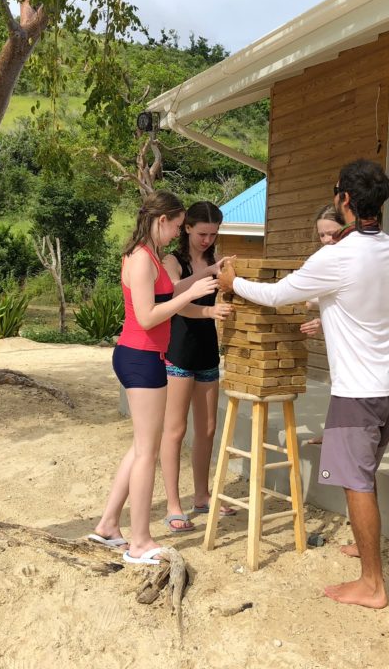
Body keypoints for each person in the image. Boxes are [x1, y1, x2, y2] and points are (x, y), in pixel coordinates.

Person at [218, 158, 389, 608]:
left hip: (359, 391)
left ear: (344, 199)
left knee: (356, 482)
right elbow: (364, 305)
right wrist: (328, 319)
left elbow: (278, 294)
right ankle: (366, 555)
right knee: (363, 474)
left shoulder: (337, 256)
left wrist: (233, 280)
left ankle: (372, 584)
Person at [91, 190, 219, 566]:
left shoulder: (146, 256)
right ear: (162, 221)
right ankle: (140, 541)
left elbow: (168, 291)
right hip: (141, 357)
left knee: (139, 447)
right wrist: (192, 294)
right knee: (149, 452)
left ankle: (109, 524)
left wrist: (205, 275)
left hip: (142, 355)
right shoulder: (143, 260)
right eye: (178, 226)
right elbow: (148, 316)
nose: (177, 233)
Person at [159, 201, 234, 533]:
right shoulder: (173, 261)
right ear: (186, 228)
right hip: (178, 350)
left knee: (207, 429)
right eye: (202, 233)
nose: (207, 240)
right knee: (175, 430)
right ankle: (174, 504)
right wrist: (208, 310)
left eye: (213, 234)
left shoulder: (217, 263)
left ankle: (203, 497)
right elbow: (174, 298)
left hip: (207, 350)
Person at [300, 204, 345, 444]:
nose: (327, 240)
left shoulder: (350, 260)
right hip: (339, 342)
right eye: (322, 235)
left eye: (333, 233)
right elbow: (311, 299)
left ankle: (338, 438)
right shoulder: (323, 260)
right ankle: (332, 434)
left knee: (346, 390)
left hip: (357, 346)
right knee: (337, 385)